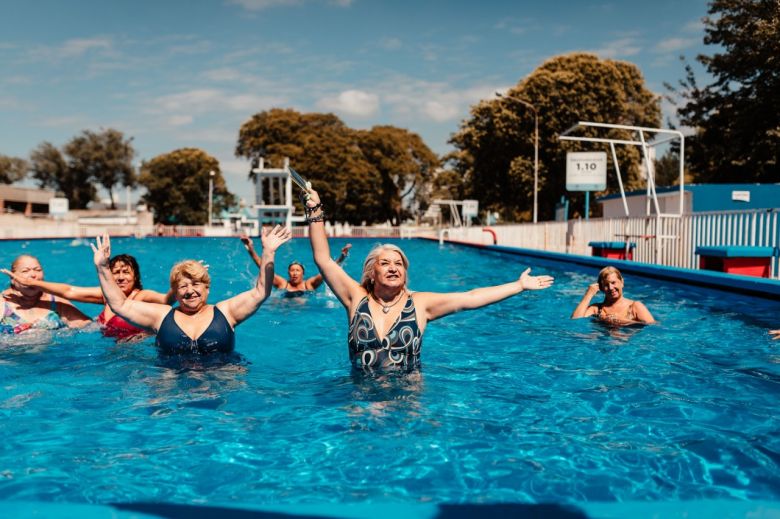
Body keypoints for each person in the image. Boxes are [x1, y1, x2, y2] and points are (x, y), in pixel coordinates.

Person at [301, 187, 555, 372]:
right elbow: (323, 259)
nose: (393, 268)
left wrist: (518, 285)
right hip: (361, 395)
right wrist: (315, 210)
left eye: (398, 264)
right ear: (371, 273)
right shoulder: (355, 298)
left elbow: (469, 298)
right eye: (385, 263)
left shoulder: (420, 304)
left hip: (407, 400)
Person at [91, 226, 291, 355]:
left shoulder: (226, 312)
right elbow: (119, 304)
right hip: (171, 390)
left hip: (222, 385)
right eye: (183, 286)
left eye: (195, 284)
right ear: (175, 293)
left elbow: (261, 291)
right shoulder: (160, 316)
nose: (190, 291)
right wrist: (102, 267)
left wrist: (269, 252)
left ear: (207, 287)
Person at [3, 254, 172, 340]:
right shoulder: (106, 297)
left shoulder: (142, 296)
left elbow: (166, 301)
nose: (121, 278)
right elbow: (70, 291)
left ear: (136, 277)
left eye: (126, 273)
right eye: (116, 273)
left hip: (133, 351)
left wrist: (178, 287)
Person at [1, 254, 91, 334]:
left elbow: (90, 326)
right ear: (12, 278)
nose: (33, 275)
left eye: (38, 270)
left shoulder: (55, 301)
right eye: (25, 271)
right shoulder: (3, 303)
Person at [241, 234, 351, 297]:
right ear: (288, 273)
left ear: (303, 273)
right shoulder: (283, 284)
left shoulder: (309, 285)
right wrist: (251, 249)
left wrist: (342, 257)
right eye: (292, 270)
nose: (294, 273)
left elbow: (327, 270)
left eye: (297, 270)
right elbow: (264, 268)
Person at [571, 266, 655, 325]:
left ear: (622, 282)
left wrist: (625, 321)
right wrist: (588, 295)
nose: (611, 288)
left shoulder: (635, 307)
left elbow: (653, 326)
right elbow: (575, 320)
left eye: (613, 282)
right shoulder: (597, 309)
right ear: (602, 288)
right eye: (606, 285)